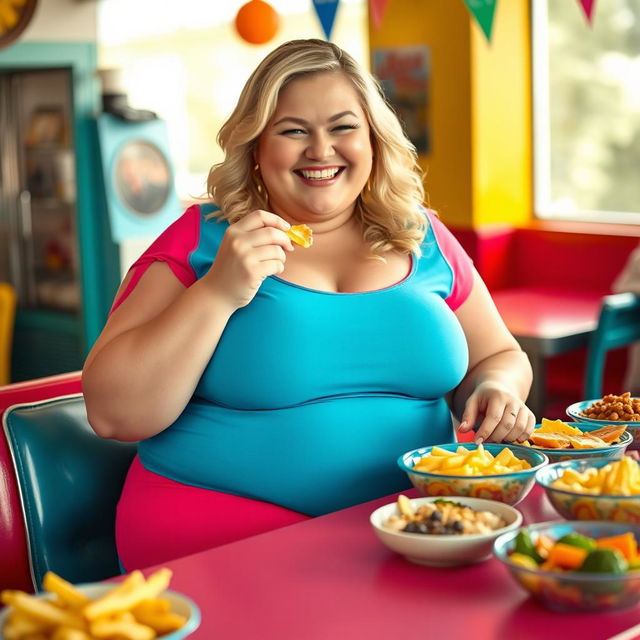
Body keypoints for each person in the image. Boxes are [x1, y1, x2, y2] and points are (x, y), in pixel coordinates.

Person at [82, 39, 535, 571]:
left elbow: (499, 356)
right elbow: (114, 415)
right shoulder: (202, 240)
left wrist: (496, 389)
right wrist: (219, 292)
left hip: (415, 528)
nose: (321, 150)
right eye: (293, 130)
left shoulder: (423, 237)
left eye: (343, 127)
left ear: (373, 140)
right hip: (221, 535)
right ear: (256, 147)